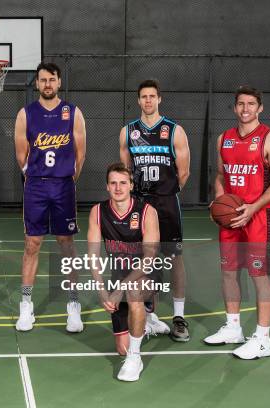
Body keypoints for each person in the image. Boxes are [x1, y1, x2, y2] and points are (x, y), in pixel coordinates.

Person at [204, 86, 270, 359]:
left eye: (251, 104)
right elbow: (220, 175)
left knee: (258, 275)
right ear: (234, 107)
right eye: (240, 103)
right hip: (232, 220)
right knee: (229, 272)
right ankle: (233, 327)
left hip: (259, 216)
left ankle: (263, 339)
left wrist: (253, 207)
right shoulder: (224, 139)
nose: (245, 108)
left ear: (260, 107)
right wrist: (219, 200)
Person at [14, 62, 87, 332]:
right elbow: (21, 153)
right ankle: (26, 305)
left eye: (51, 80)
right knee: (32, 243)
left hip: (63, 185)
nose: (47, 84)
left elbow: (81, 153)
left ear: (58, 82)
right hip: (36, 185)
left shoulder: (72, 112)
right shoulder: (26, 114)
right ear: (37, 83)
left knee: (66, 244)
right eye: (43, 80)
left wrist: (67, 178)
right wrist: (35, 175)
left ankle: (74, 305)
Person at [119, 79, 191, 341]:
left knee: (173, 259)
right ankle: (149, 315)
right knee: (144, 261)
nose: (148, 101)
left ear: (159, 99)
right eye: (143, 97)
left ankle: (179, 317)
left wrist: (166, 191)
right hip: (140, 204)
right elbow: (125, 172)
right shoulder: (128, 131)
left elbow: (183, 173)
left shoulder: (174, 131)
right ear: (138, 100)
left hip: (167, 202)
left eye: (152, 96)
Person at [87, 163, 160, 381]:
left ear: (131, 185)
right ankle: (146, 320)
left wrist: (118, 290)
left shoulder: (147, 212)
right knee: (121, 347)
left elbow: (149, 260)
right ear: (107, 187)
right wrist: (101, 290)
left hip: (147, 274)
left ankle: (135, 358)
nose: (118, 188)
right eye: (113, 183)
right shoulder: (98, 212)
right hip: (118, 276)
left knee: (134, 292)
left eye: (123, 183)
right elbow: (93, 255)